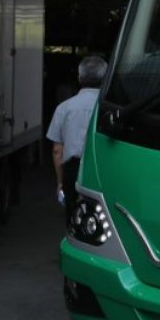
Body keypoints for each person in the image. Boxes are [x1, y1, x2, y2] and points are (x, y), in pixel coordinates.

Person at [47, 55, 107, 217]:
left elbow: (57, 151)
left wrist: (60, 182)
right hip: (103, 169)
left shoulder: (64, 108)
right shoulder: (109, 108)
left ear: (79, 78)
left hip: (72, 171)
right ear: (106, 79)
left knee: (74, 217)